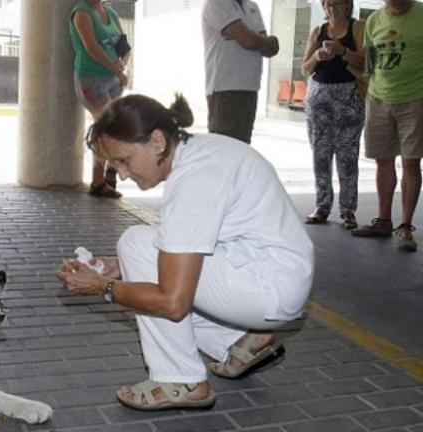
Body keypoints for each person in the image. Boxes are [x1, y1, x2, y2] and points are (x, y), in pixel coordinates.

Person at [57, 94, 314, 410]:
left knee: (136, 244)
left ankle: (180, 380)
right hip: (274, 274)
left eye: (124, 160)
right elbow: (184, 247)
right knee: (138, 251)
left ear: (157, 141)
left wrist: (103, 287)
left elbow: (173, 303)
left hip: (269, 288)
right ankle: (235, 341)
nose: (122, 174)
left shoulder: (195, 178)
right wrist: (120, 267)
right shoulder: (201, 153)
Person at [352, 0, 423, 252]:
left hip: (415, 99)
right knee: (383, 160)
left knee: (410, 162)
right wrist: (369, 91)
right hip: (379, 98)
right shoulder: (374, 20)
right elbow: (370, 62)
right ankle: (383, 220)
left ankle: (405, 227)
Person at [301, 0, 365, 229]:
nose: (330, 7)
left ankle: (348, 210)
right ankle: (322, 206)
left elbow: (366, 62)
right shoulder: (318, 31)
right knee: (320, 154)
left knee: (348, 156)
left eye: (335, 3)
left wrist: (343, 51)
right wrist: (318, 56)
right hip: (319, 99)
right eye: (326, 3)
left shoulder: (358, 28)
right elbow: (305, 68)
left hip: (349, 97)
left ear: (347, 4)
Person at [69, 0, 129, 198]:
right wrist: (114, 67)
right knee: (104, 127)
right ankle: (97, 180)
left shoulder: (110, 11)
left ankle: (111, 171)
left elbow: (123, 45)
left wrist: (122, 66)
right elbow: (90, 46)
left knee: (115, 125)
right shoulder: (81, 12)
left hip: (114, 79)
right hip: (91, 79)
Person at [201, 0, 280, 144]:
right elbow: (248, 41)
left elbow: (270, 50)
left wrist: (256, 39)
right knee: (224, 149)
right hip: (225, 89)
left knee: (242, 147)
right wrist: (264, 40)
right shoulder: (216, 3)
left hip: (250, 88)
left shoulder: (252, 6)